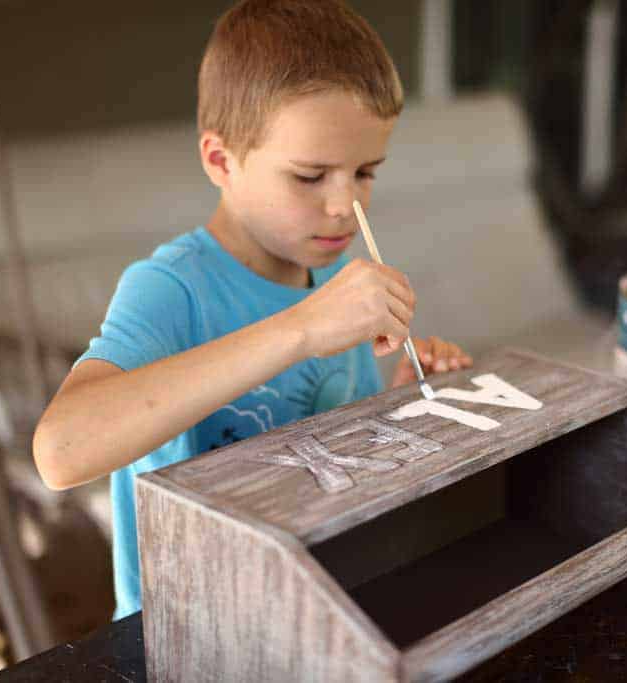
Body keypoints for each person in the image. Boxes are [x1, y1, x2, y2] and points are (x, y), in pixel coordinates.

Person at [32, 0, 473, 619]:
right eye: (309, 175)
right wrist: (299, 328)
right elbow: (60, 452)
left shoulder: (338, 281)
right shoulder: (172, 286)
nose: (345, 205)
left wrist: (396, 400)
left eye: (366, 171)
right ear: (221, 160)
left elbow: (330, 452)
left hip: (314, 605)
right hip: (193, 624)